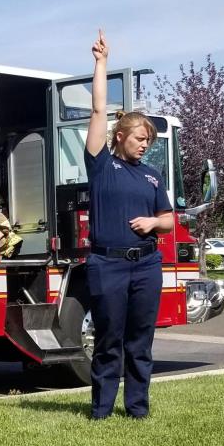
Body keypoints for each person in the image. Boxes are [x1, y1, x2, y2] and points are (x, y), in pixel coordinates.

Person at [81, 29, 174, 421]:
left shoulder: (152, 175)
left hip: (147, 265)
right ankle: (101, 411)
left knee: (140, 341)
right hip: (108, 265)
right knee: (109, 340)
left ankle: (137, 409)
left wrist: (153, 222)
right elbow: (98, 111)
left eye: (148, 140)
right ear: (120, 137)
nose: (144, 144)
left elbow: (169, 220)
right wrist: (101, 63)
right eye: (139, 138)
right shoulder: (101, 165)